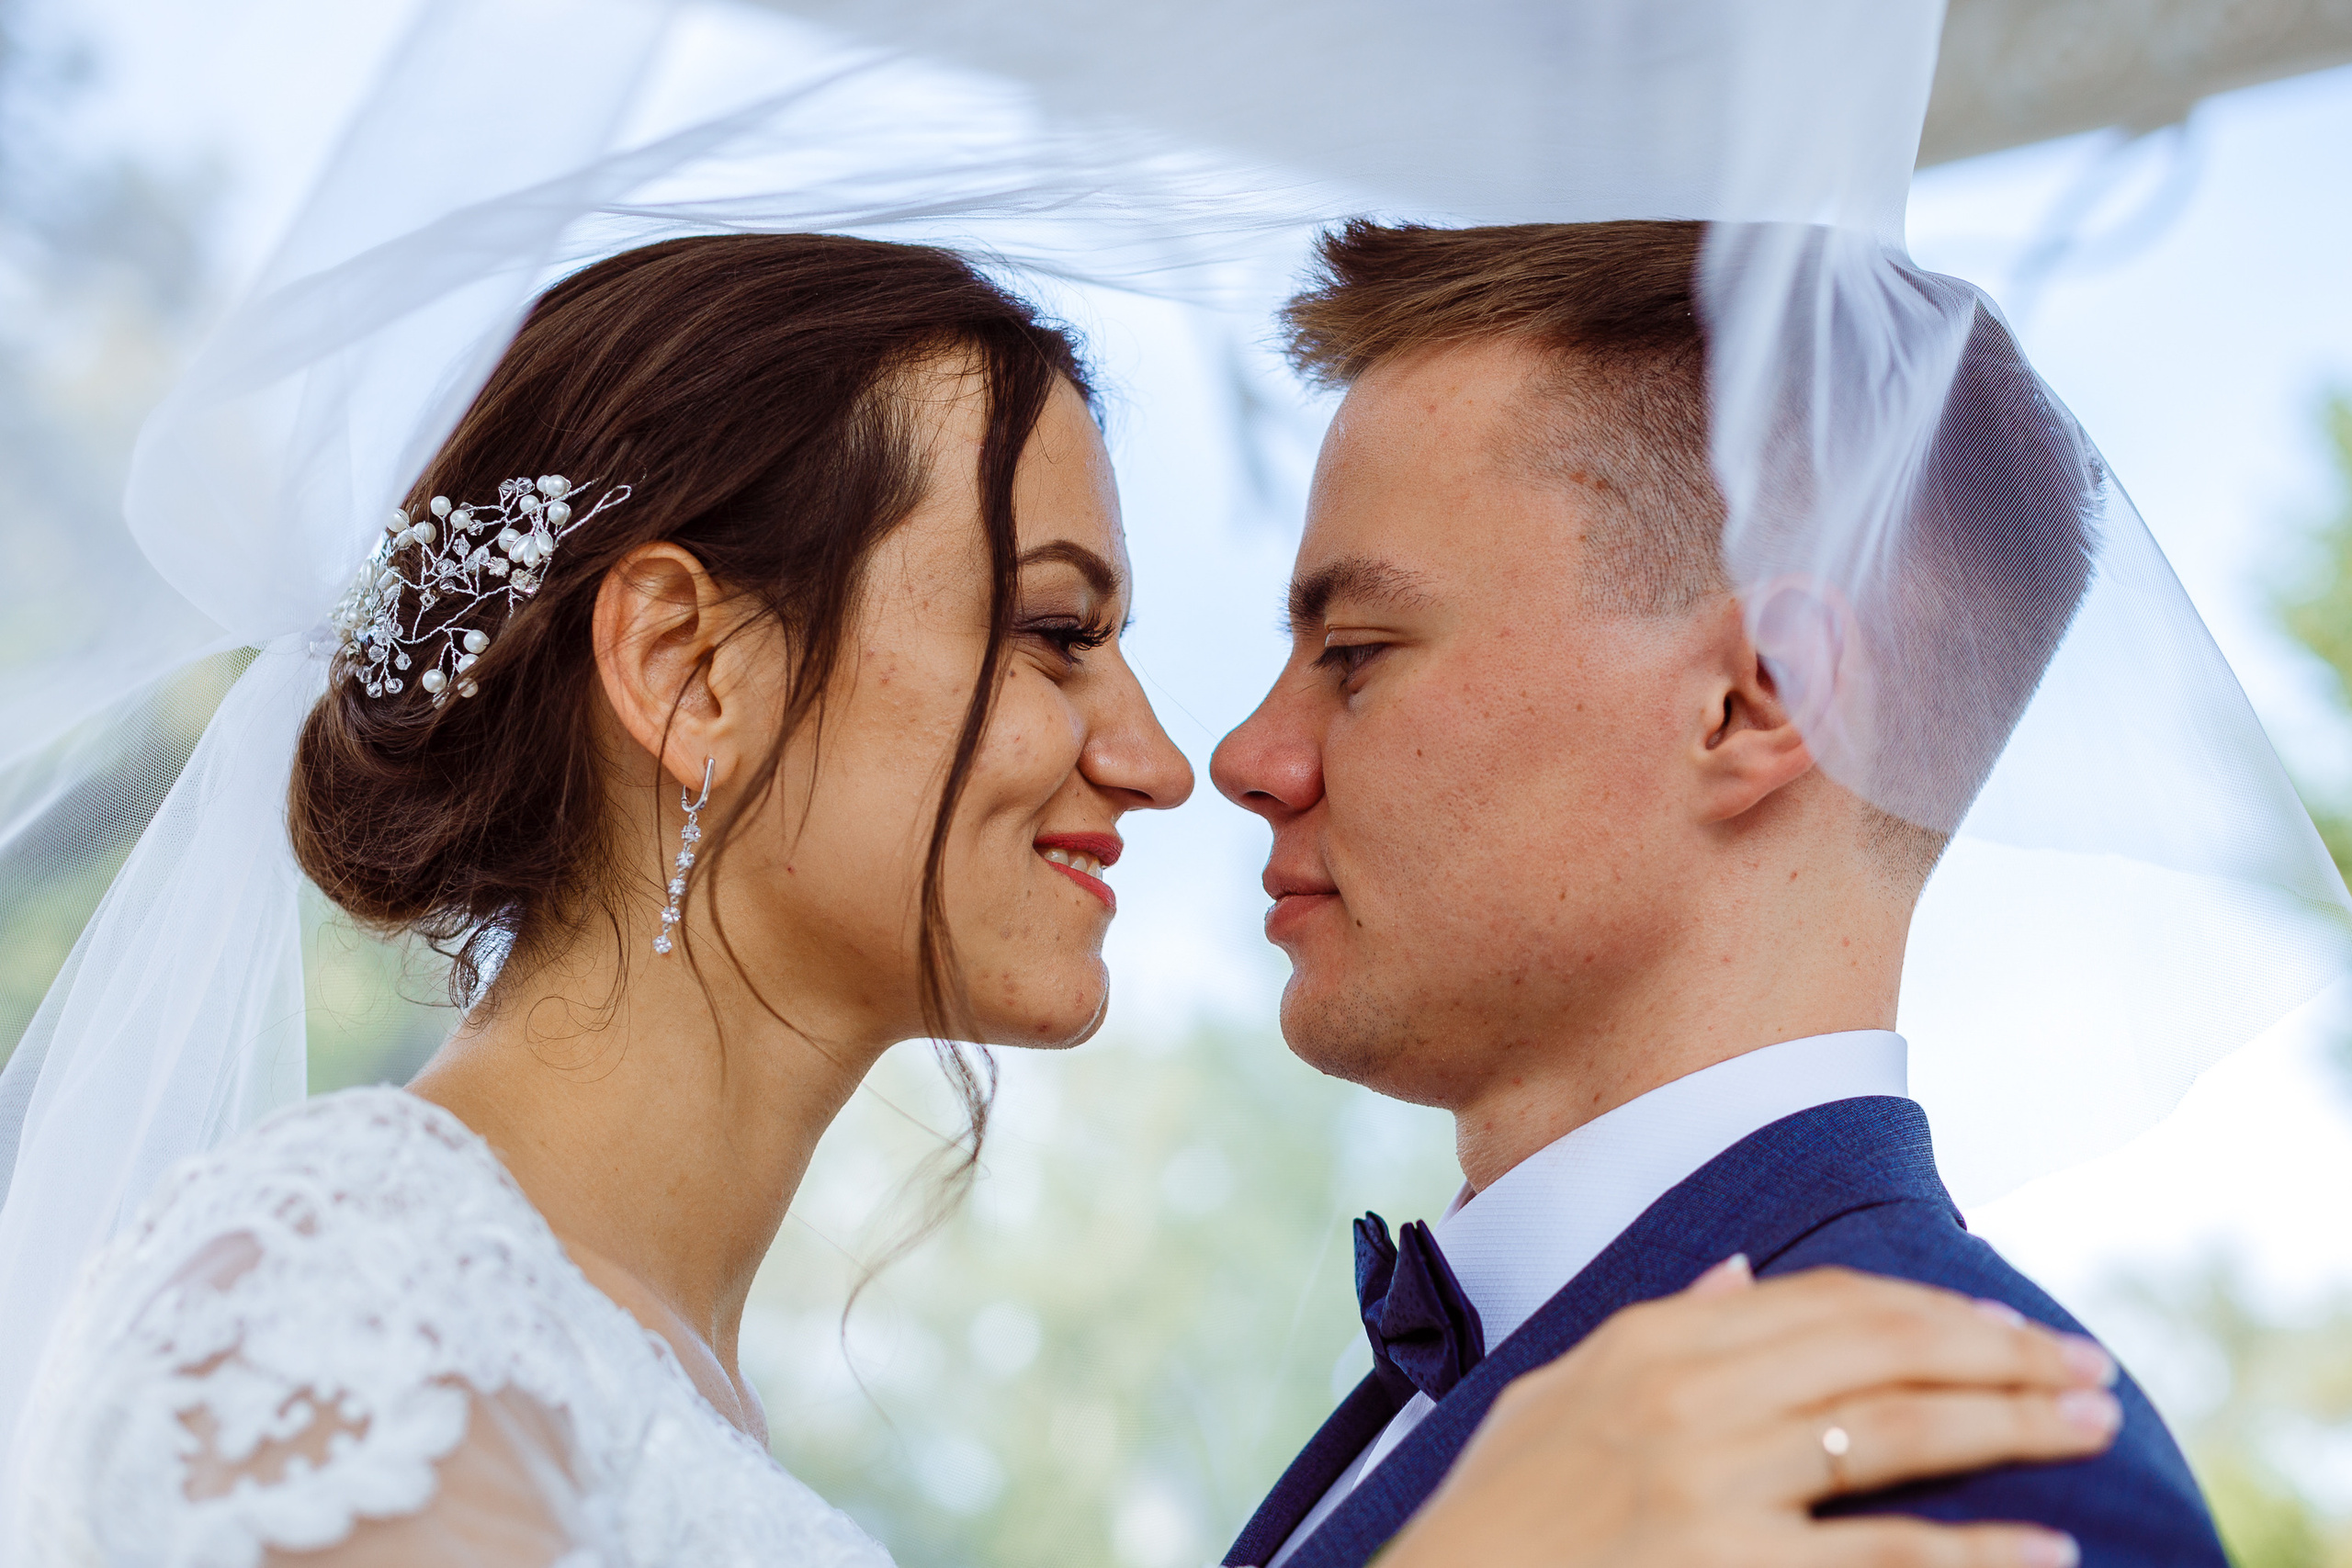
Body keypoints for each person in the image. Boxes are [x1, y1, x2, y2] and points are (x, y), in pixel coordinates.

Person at [3, 232, 2118, 1568]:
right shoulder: (331, 1306)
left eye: (1352, 650)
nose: (1173, 754)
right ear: (685, 666)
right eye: (1049, 630)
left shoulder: (1964, 1458)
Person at [1210, 220, 2227, 1568]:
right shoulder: (1428, 1397)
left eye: (1355, 650)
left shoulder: (1985, 1484)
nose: (1248, 758)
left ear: (1758, 701)